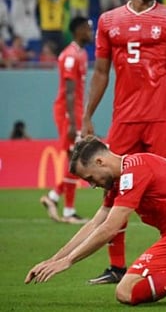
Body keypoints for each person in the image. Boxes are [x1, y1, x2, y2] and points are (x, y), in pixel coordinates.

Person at [81, 0, 166, 285]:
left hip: (163, 117)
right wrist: (88, 115)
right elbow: (100, 72)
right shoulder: (108, 21)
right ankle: (116, 266)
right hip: (125, 118)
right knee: (113, 188)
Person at [25, 137, 166, 306]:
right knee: (130, 289)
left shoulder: (136, 170)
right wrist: (54, 259)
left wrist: (69, 261)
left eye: (90, 178)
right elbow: (96, 223)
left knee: (126, 291)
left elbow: (109, 228)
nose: (92, 185)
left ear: (100, 162)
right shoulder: (121, 178)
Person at [40, 16, 93, 224]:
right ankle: (67, 210)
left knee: (77, 160)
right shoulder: (70, 56)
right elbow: (69, 92)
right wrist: (72, 122)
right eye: (88, 29)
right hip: (68, 113)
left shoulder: (81, 54)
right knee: (76, 159)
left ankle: (54, 198)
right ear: (78, 30)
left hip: (76, 113)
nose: (91, 33)